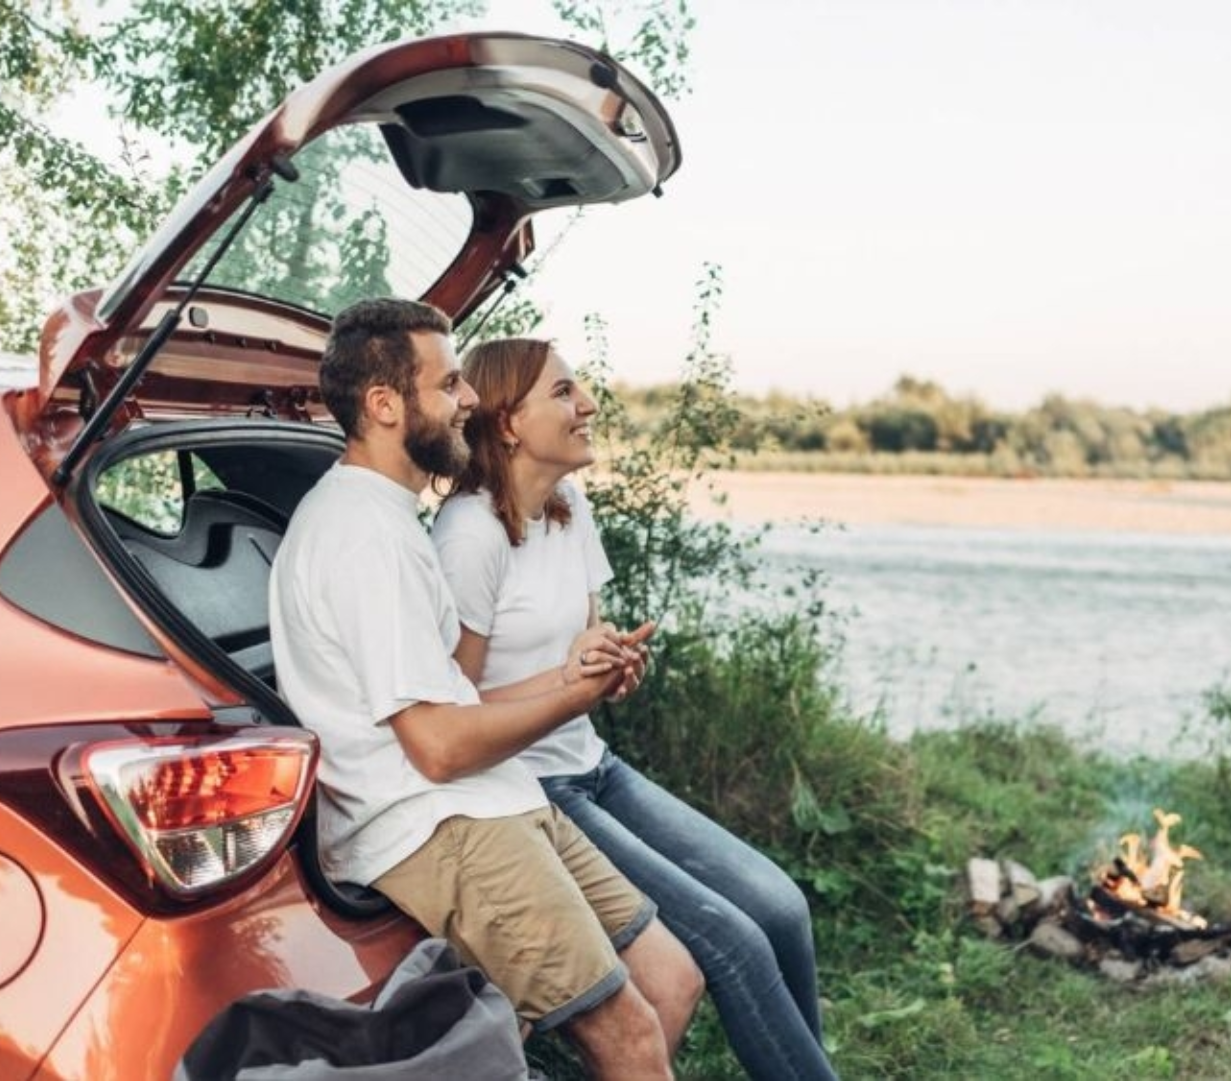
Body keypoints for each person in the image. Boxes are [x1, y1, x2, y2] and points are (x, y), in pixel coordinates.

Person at [267, 299, 703, 1080]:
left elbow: (451, 697)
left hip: (496, 796)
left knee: (672, 979)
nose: (470, 399)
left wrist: (571, 674)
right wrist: (571, 700)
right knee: (631, 1034)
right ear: (384, 404)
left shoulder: (388, 516)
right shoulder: (363, 536)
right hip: (436, 826)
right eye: (450, 384)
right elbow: (435, 747)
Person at [431, 337, 838, 1081]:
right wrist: (568, 682)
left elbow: (584, 636)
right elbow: (452, 712)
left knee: (781, 908)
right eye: (564, 392)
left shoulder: (568, 507)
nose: (588, 404)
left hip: (591, 761)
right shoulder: (468, 536)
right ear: (509, 422)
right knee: (734, 944)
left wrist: (607, 661)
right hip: (527, 788)